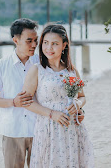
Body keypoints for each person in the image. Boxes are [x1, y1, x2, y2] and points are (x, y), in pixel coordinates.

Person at [0, 19, 85, 168]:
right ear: (15, 40)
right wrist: (13, 102)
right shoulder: (2, 65)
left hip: (39, 129)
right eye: (29, 41)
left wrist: (78, 108)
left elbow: (65, 93)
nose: (34, 45)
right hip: (13, 130)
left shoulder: (42, 62)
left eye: (36, 40)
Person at [23, 24, 95, 168]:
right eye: (45, 43)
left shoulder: (71, 70)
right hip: (48, 127)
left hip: (72, 127)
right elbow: (26, 102)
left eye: (55, 44)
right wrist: (52, 114)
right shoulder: (37, 70)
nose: (49, 48)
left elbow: (82, 96)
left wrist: (78, 106)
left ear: (64, 46)